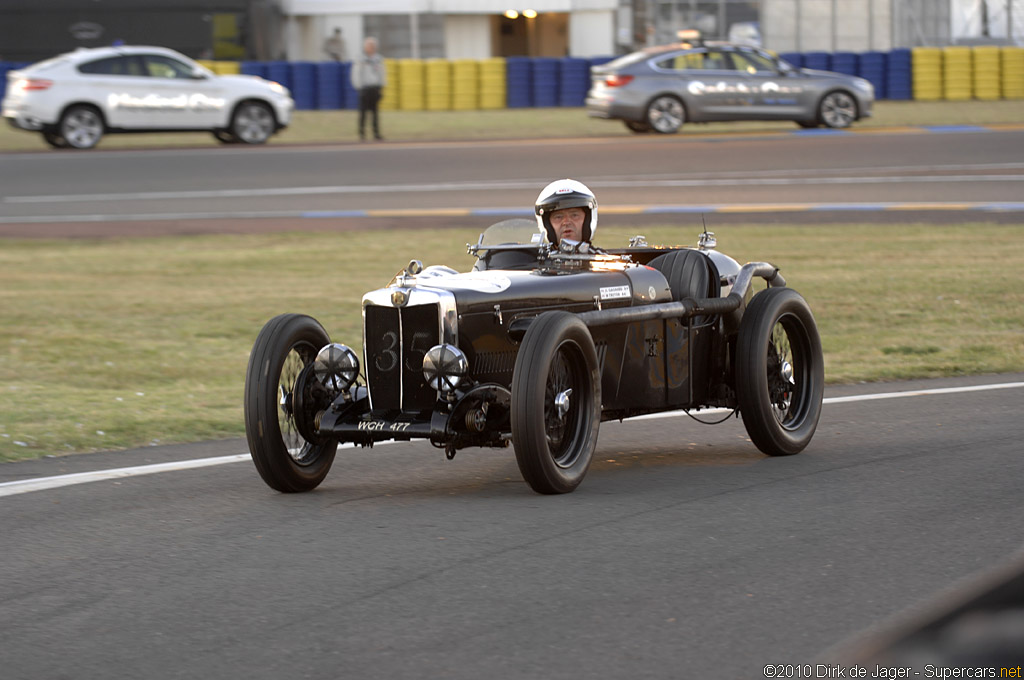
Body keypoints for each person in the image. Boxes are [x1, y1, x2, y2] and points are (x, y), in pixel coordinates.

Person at [534, 179, 598, 246]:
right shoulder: (533, 256)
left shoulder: (603, 256)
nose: (566, 222)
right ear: (546, 223)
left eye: (574, 215)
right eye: (558, 217)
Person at [350, 36, 386, 141]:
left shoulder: (378, 59)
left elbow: (382, 74)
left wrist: (381, 87)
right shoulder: (360, 59)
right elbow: (356, 74)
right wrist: (358, 87)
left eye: (373, 46)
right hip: (364, 88)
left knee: (375, 113)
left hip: (374, 87)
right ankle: (362, 134)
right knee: (363, 112)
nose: (371, 47)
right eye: (369, 45)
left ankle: (376, 133)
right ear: (365, 47)